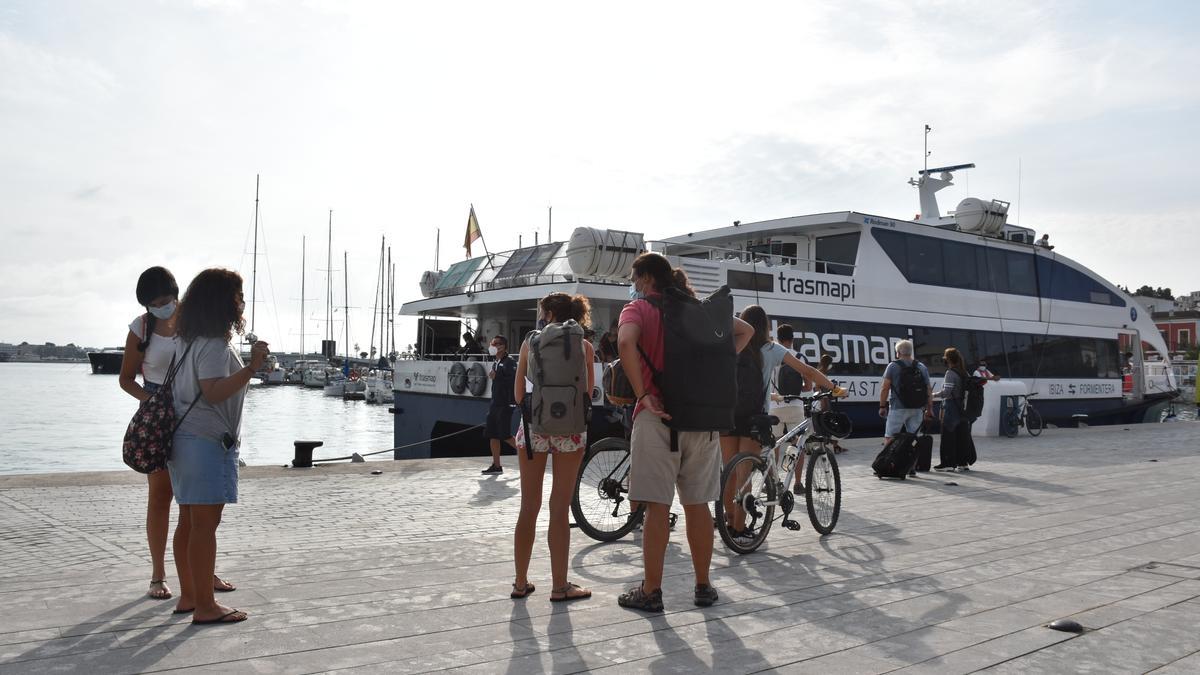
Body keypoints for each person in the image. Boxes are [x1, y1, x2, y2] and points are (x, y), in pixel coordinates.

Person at [616, 252, 754, 612]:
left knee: (657, 508)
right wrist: (722, 362)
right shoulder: (699, 310)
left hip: (658, 418)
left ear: (646, 279)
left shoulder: (639, 310)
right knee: (698, 507)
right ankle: (704, 586)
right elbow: (746, 331)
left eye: (635, 280)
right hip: (701, 418)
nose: (634, 287)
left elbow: (626, 343)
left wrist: (643, 393)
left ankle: (651, 590)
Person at [117, 266, 234, 601]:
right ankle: (158, 574)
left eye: (165, 301)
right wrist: (151, 401)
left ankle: (202, 572)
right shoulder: (141, 328)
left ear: (177, 295)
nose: (160, 307)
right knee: (160, 496)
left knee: (198, 501)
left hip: (195, 411)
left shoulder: (195, 322)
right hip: (158, 415)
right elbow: (126, 379)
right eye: (153, 304)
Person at [170, 268, 268, 625]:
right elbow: (212, 392)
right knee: (204, 526)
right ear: (223, 300)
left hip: (184, 443)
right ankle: (206, 606)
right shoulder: (212, 343)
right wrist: (252, 368)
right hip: (206, 442)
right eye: (238, 295)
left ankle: (189, 596)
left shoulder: (187, 339)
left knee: (189, 522)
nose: (242, 302)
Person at [722, 306, 844, 532]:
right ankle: (738, 528)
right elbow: (807, 371)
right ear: (765, 326)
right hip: (754, 417)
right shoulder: (770, 348)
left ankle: (727, 520)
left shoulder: (732, 345)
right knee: (743, 475)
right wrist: (834, 388)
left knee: (729, 472)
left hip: (728, 415)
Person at [511, 293, 594, 602]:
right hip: (570, 433)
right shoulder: (584, 346)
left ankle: (521, 583)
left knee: (528, 507)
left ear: (546, 314)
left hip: (533, 430)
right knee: (559, 509)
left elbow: (519, 394)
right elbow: (587, 393)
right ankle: (560, 586)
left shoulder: (528, 343)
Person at [879, 339, 933, 459]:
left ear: (898, 352)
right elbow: (928, 389)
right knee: (913, 437)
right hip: (918, 408)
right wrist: (930, 408)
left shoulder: (893, 366)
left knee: (890, 437)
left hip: (898, 408)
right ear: (910, 352)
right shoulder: (921, 366)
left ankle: (887, 463)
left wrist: (882, 406)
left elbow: (885, 388)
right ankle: (910, 466)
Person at [933, 347, 974, 472]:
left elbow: (946, 393)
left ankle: (948, 463)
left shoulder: (950, 373)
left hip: (951, 407)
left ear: (948, 359)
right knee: (962, 436)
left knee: (948, 436)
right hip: (963, 408)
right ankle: (963, 463)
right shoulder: (964, 372)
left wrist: (933, 395)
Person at [482, 335, 517, 475]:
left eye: (496, 343)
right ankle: (496, 465)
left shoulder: (509, 362)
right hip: (495, 403)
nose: (493, 345)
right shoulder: (496, 361)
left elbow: (513, 381)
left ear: (503, 346)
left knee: (505, 435)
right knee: (492, 434)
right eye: (492, 343)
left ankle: (527, 455)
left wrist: (498, 377)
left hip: (505, 404)